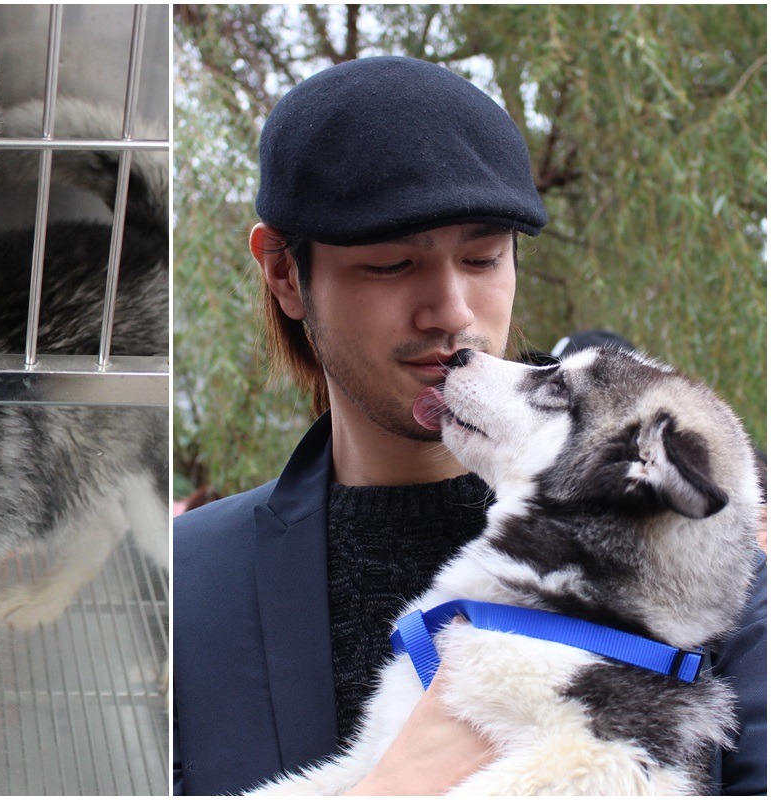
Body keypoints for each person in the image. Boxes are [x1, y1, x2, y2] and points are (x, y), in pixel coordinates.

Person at [173, 55, 766, 795]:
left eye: (483, 258)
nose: (451, 312)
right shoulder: (182, 584)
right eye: (393, 264)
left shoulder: (720, 595)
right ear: (285, 274)